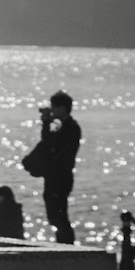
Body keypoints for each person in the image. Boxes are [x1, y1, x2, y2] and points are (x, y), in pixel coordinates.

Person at [33, 91, 82, 245]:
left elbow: (50, 144)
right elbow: (48, 141)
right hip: (56, 176)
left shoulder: (71, 128)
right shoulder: (63, 126)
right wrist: (47, 122)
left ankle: (67, 246)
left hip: (60, 177)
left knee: (58, 215)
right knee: (55, 215)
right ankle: (64, 244)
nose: (52, 110)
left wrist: (48, 122)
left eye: (54, 107)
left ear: (62, 108)